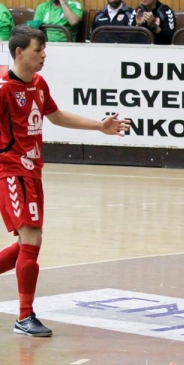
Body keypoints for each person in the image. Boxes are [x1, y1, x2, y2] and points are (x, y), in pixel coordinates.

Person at [0, 26, 130, 337]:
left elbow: (55, 116)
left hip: (33, 170)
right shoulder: (4, 88)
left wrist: (100, 126)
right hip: (11, 170)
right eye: (38, 50)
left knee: (30, 242)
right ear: (20, 53)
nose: (44, 55)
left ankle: (24, 315)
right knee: (31, 240)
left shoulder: (39, 83)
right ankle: (24, 316)